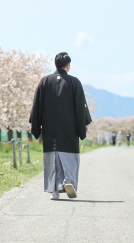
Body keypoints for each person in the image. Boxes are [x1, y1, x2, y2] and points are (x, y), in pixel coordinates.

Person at [29, 52, 92, 200]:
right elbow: (80, 106)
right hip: (69, 129)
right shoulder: (74, 82)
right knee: (70, 158)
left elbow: (36, 105)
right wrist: (84, 124)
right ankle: (68, 181)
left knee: (52, 158)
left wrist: (36, 125)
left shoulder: (44, 81)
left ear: (55, 65)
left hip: (50, 129)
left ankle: (54, 191)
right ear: (68, 66)